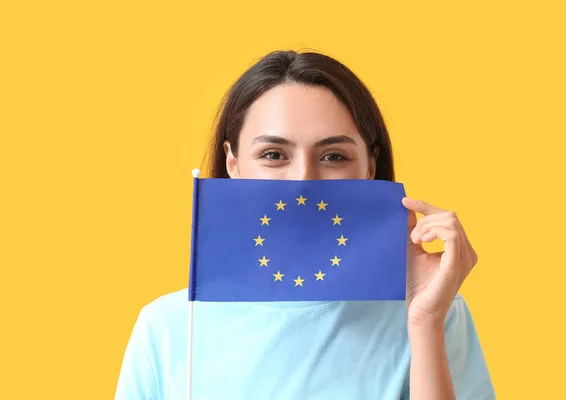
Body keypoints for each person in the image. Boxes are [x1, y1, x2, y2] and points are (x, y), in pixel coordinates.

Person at [115, 50, 495, 399]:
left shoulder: (436, 310)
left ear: (369, 166)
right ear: (233, 163)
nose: (304, 181)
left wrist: (426, 323)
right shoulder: (166, 328)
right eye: (274, 154)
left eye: (333, 155)